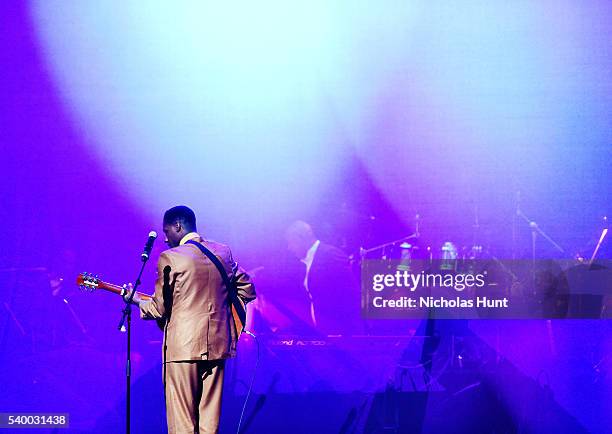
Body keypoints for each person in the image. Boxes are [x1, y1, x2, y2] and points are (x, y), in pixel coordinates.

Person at [127, 206, 256, 433]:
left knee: (182, 424)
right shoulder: (222, 252)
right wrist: (225, 313)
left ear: (178, 226)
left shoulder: (171, 257)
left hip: (182, 349)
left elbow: (158, 309)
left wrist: (136, 300)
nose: (166, 239)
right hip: (218, 345)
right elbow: (247, 289)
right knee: (209, 424)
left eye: (166, 232)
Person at [284, 220, 358, 335]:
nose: (289, 248)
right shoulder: (311, 260)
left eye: (291, 243)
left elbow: (350, 293)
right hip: (327, 332)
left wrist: (340, 333)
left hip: (340, 334)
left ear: (301, 238)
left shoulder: (330, 255)